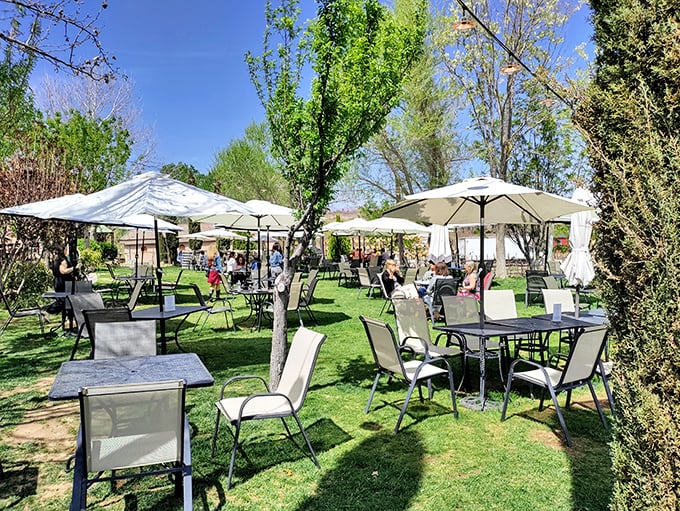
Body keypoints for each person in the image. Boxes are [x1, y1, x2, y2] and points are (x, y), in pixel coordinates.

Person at [49, 244, 81, 317]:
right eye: (66, 249)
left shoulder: (56, 259)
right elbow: (62, 271)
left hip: (58, 282)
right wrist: (74, 268)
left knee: (64, 300)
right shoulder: (62, 260)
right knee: (64, 300)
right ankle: (50, 310)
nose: (68, 251)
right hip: (63, 283)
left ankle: (66, 316)